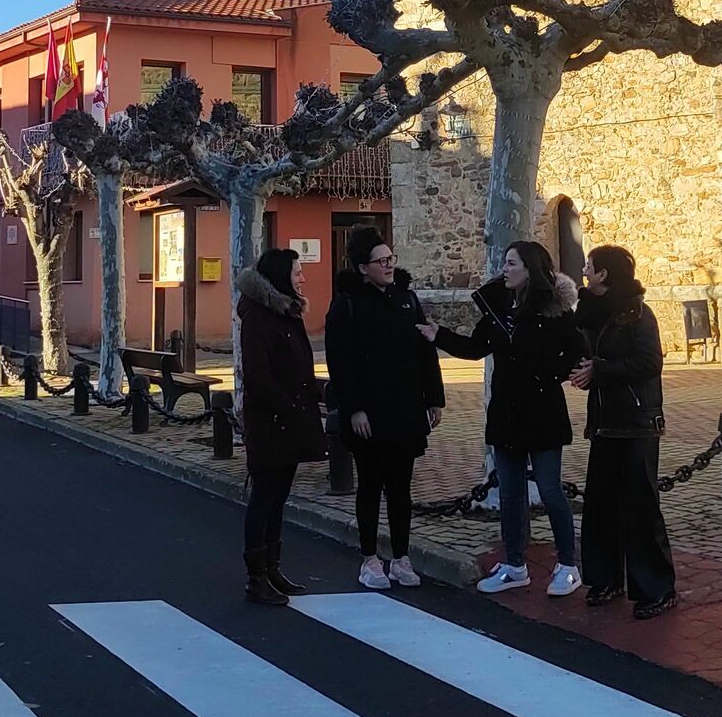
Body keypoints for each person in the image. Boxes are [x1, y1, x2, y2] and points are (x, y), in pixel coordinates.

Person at [418, 241, 584, 597]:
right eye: (505, 263)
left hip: (543, 413)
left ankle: (568, 565)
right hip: (506, 412)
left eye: (511, 263)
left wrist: (547, 376)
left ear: (530, 268)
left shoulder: (555, 310)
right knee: (510, 493)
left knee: (551, 490)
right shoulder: (498, 307)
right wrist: (439, 336)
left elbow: (576, 352)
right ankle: (514, 565)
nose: (504, 269)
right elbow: (477, 348)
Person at [325, 227, 444, 590]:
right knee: (370, 484)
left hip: (405, 407)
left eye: (391, 259)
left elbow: (425, 349)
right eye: (382, 261)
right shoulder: (346, 305)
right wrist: (355, 408)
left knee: (400, 487)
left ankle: (401, 557)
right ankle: (369, 558)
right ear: (363, 267)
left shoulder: (406, 299)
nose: (389, 265)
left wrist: (434, 397)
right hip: (369, 412)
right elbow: (340, 362)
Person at [571, 244, 678, 619]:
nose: (584, 269)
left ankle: (657, 588)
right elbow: (576, 353)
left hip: (636, 423)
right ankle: (605, 579)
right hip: (603, 423)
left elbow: (648, 363)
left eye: (590, 265)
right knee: (600, 507)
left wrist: (599, 370)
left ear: (605, 274)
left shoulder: (638, 313)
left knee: (641, 509)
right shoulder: (587, 313)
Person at [237, 247, 327, 606]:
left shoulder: (286, 312)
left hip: (291, 419)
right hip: (271, 422)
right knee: (264, 497)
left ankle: (272, 568)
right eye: (296, 272)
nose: (302, 277)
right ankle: (256, 577)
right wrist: (287, 408)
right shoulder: (258, 317)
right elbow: (258, 374)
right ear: (279, 277)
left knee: (279, 497)